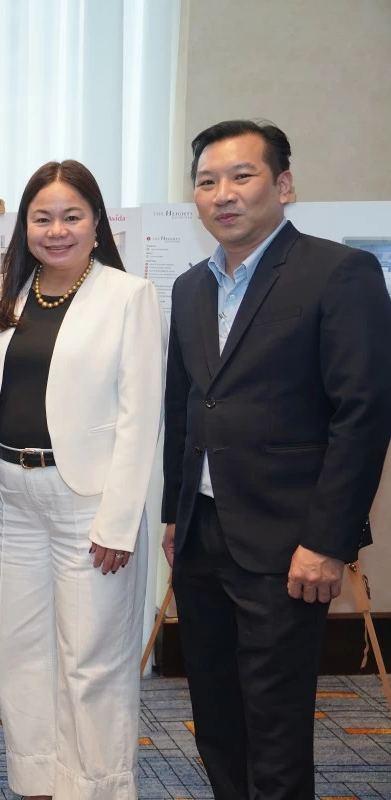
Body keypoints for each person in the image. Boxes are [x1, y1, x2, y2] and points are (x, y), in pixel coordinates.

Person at [162, 119, 391, 799]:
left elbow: (363, 415)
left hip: (289, 543)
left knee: (275, 722)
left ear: (283, 185)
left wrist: (327, 541)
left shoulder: (338, 273)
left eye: (242, 176)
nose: (223, 194)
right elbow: (185, 410)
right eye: (207, 181)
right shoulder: (191, 288)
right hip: (202, 533)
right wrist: (175, 514)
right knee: (215, 715)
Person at [0, 160, 164, 800]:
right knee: (22, 650)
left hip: (89, 502)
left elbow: (141, 417)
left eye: (71, 217)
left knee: (91, 659)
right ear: (24, 226)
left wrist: (120, 522)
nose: (56, 231)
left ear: (96, 222)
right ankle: (36, 779)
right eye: (42, 218)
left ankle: (95, 788)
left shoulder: (129, 295)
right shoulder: (0, 295)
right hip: (11, 493)